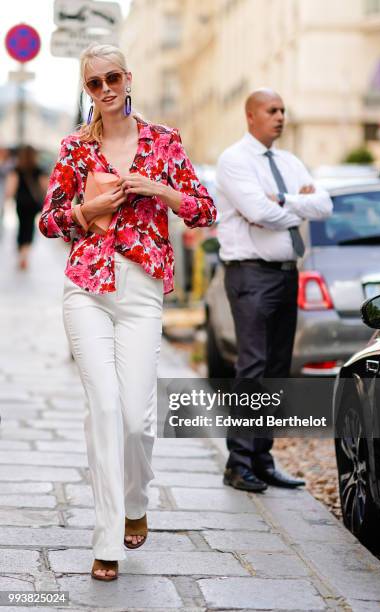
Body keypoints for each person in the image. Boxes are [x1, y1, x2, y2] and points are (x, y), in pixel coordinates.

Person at [39, 43, 216, 581]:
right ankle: (107, 538)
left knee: (137, 420)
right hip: (86, 288)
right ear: (86, 90)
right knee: (105, 409)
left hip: (141, 292)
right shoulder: (74, 148)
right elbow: (49, 220)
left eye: (112, 78)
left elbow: (204, 209)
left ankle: (137, 500)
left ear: (128, 77)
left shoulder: (164, 142)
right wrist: (85, 210)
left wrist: (157, 189)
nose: (105, 89)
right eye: (93, 83)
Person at [215, 88, 332, 492]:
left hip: (285, 273)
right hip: (250, 274)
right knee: (252, 368)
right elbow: (257, 211)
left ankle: (263, 459)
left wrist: (282, 200)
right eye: (272, 110)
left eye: (282, 109)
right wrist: (292, 208)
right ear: (251, 116)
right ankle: (239, 462)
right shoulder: (234, 160)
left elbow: (325, 205)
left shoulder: (289, 161)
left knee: (278, 371)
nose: (280, 116)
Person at [5, 145, 48, 269]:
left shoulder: (17, 169)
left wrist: (7, 199)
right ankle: (25, 253)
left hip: (20, 203)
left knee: (21, 226)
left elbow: (11, 188)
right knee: (29, 227)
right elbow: (46, 187)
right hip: (33, 204)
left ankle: (21, 251)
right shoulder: (39, 169)